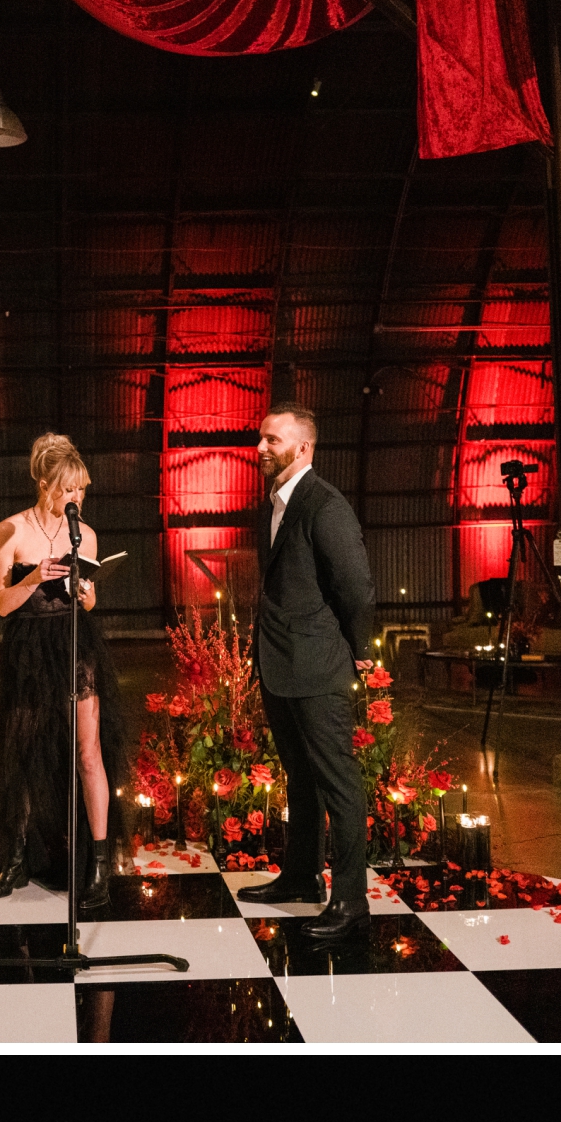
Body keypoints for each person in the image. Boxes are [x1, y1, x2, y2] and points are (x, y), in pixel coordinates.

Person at [237, 404, 377, 945]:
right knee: (299, 775)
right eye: (261, 438)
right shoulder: (272, 504)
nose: (262, 448)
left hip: (317, 666)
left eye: (273, 439)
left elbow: (357, 587)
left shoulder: (326, 506)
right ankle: (300, 877)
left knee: (337, 781)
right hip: (279, 664)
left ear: (304, 448)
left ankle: (350, 899)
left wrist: (360, 650)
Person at [0, 433, 130, 911]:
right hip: (29, 647)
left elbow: (91, 600)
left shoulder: (84, 534)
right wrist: (31, 578)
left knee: (88, 753)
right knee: (24, 751)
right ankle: (17, 857)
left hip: (74, 644)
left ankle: (100, 864)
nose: (77, 498)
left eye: (82, 490)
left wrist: (85, 592)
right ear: (44, 484)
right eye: (69, 489)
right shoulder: (10, 530)